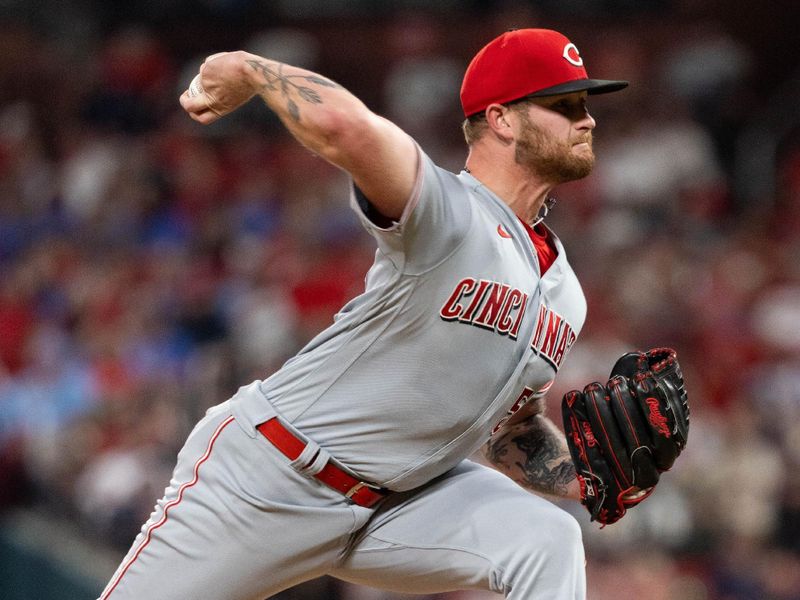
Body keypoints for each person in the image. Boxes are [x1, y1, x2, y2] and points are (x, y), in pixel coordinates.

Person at [100, 28, 631, 600]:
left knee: (546, 538)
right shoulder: (448, 214)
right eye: (565, 105)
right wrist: (250, 69)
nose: (588, 119)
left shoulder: (565, 293)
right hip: (272, 477)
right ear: (502, 119)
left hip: (397, 507)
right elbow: (343, 129)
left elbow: (512, 432)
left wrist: (587, 476)